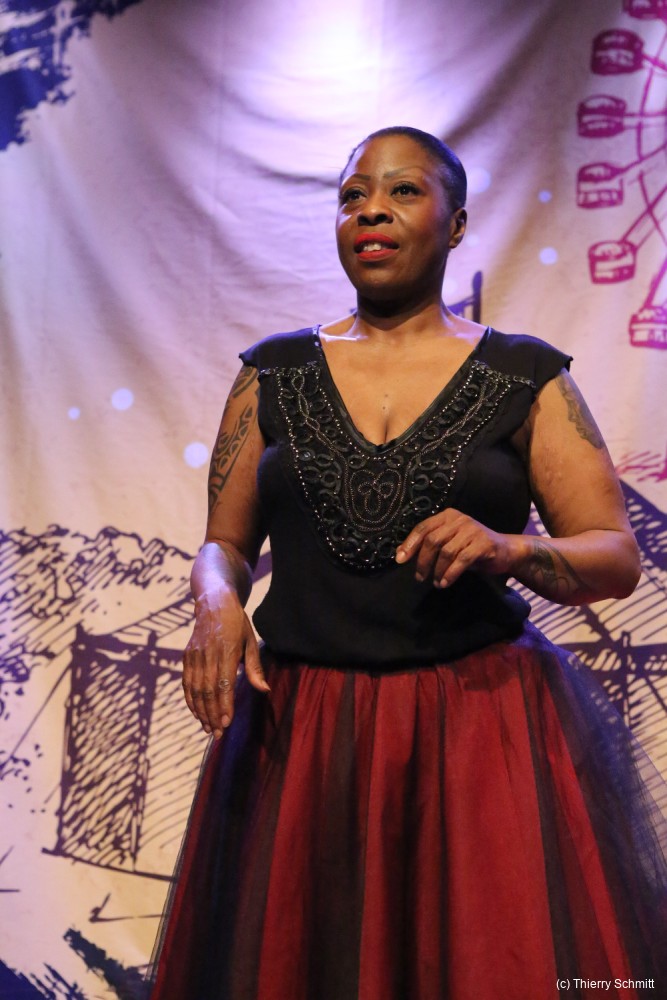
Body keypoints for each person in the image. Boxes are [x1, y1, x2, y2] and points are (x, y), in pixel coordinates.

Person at [148, 126, 667, 1000]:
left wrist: (510, 547)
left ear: (455, 224)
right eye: (352, 196)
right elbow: (224, 546)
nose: (371, 212)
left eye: (402, 191)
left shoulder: (524, 376)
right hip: (303, 734)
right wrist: (214, 602)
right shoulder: (273, 374)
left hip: (476, 729)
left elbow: (614, 557)